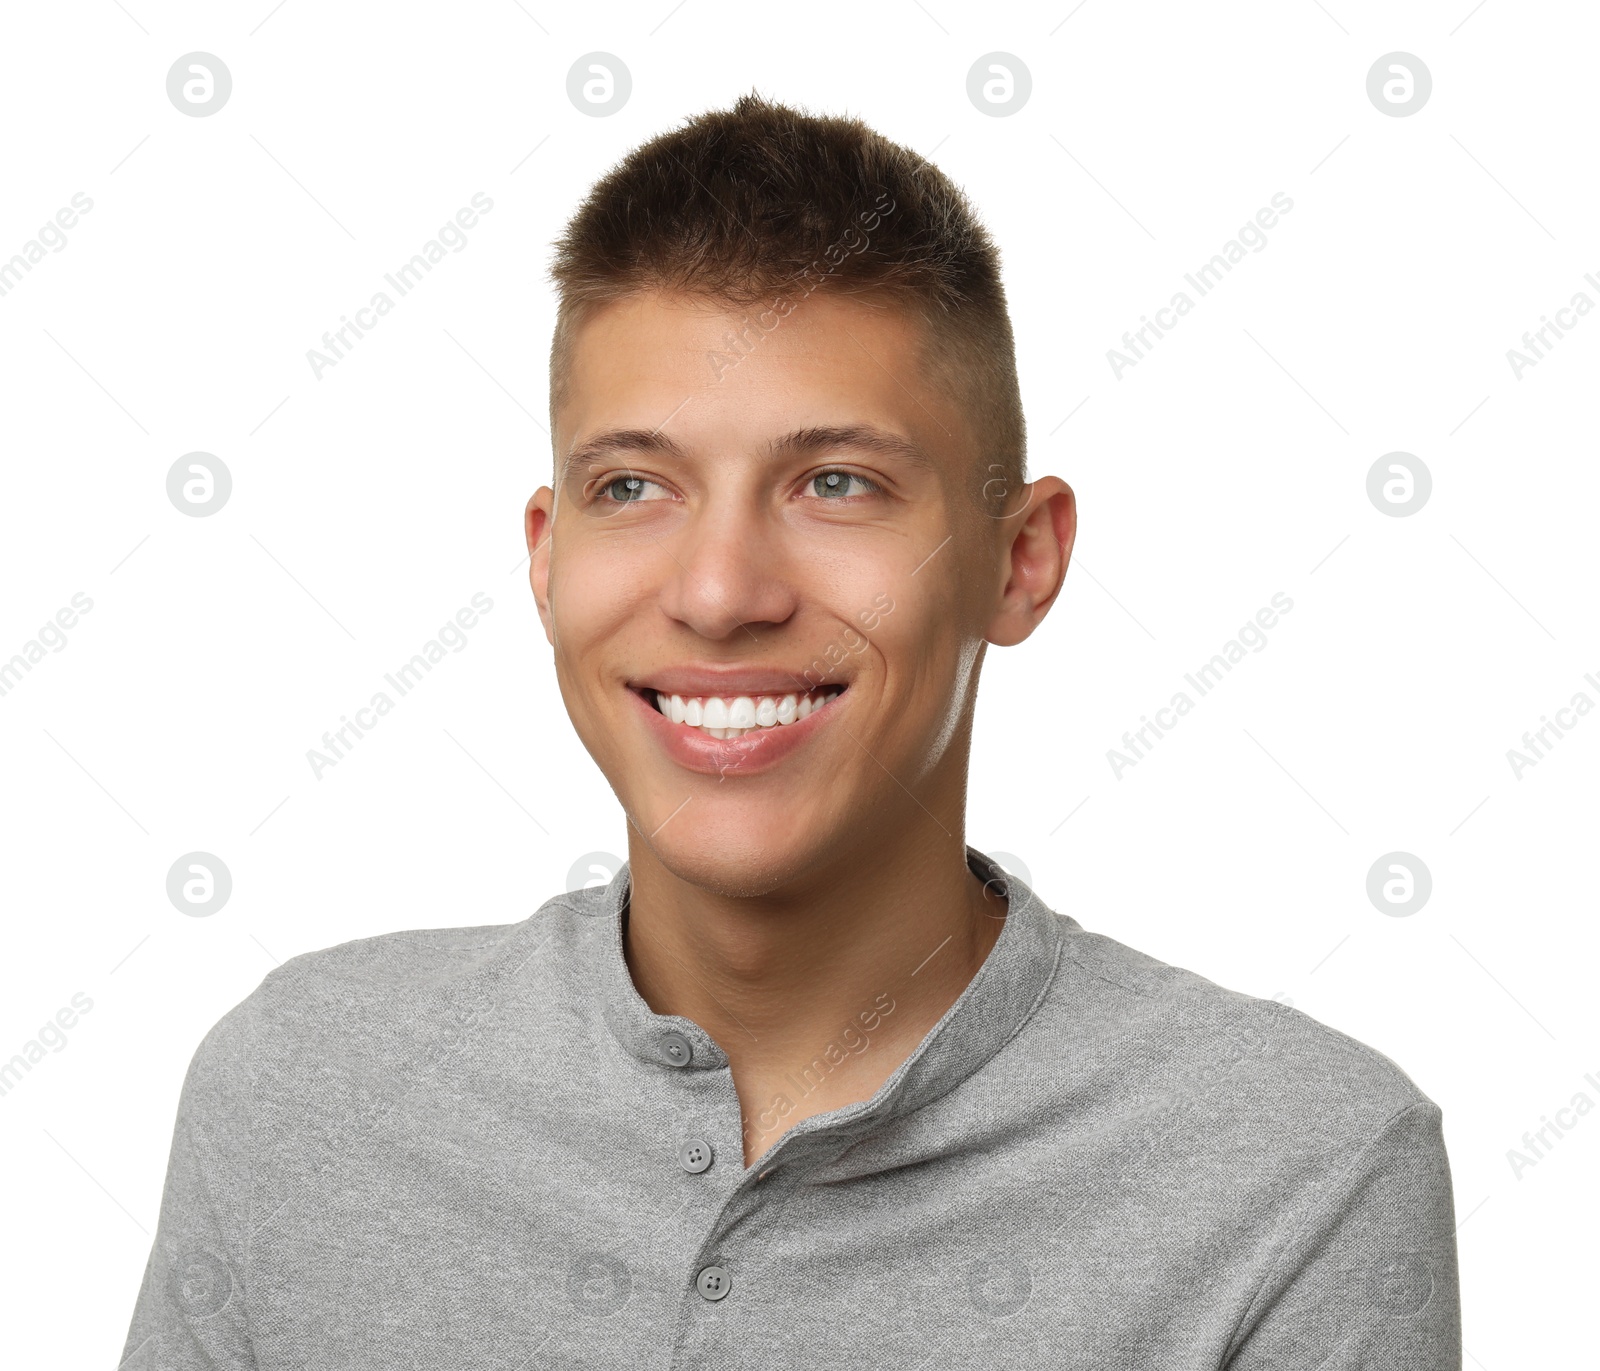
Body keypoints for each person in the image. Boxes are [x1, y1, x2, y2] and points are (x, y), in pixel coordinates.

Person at [121, 92, 1461, 1369]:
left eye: (835, 483)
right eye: (633, 484)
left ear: (1020, 559)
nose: (717, 593)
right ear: (547, 558)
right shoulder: (301, 1093)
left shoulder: (1304, 1174)